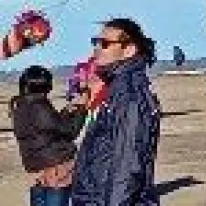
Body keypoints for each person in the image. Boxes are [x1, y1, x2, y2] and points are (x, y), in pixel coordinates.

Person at [71, 18, 161, 206]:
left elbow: (127, 164)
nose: (96, 49)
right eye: (95, 42)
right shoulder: (116, 89)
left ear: (129, 49)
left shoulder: (128, 94)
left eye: (104, 44)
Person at [11, 65, 86, 206]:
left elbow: (47, 127)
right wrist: (81, 109)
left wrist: (65, 111)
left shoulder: (19, 105)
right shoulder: (39, 106)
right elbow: (70, 131)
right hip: (56, 168)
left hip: (36, 167)